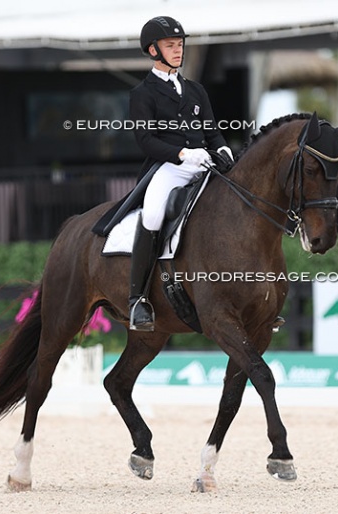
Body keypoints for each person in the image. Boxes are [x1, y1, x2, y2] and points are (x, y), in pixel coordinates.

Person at [128, 15, 232, 331]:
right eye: (171, 45)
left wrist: (224, 149)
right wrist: (182, 154)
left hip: (205, 163)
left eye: (180, 44)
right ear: (153, 51)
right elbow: (146, 140)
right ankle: (138, 300)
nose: (178, 50)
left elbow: (212, 131)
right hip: (170, 168)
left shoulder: (196, 90)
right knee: (153, 213)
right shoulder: (142, 94)